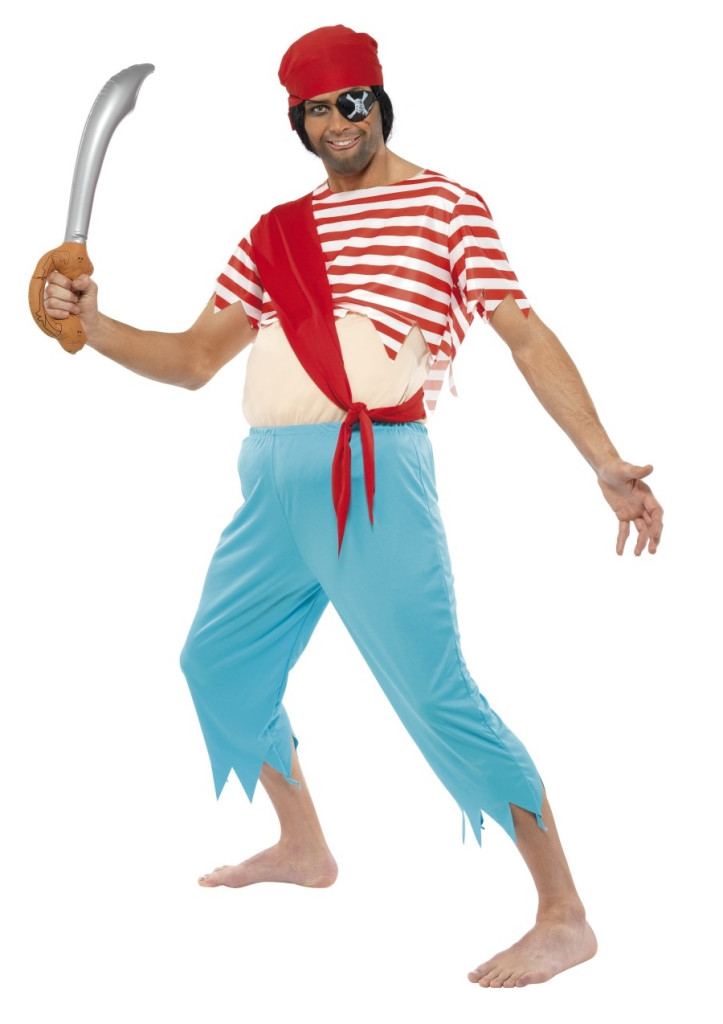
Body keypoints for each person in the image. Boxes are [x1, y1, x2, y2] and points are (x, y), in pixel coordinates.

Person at [42, 25, 662, 989]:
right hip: (269, 481)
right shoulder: (274, 231)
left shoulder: (446, 207)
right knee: (216, 661)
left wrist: (602, 459)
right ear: (297, 121)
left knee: (436, 693)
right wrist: (90, 323)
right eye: (316, 110)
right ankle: (304, 848)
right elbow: (193, 360)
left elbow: (525, 335)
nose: (337, 122)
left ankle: (563, 915)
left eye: (352, 101)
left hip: (371, 474)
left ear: (379, 100)